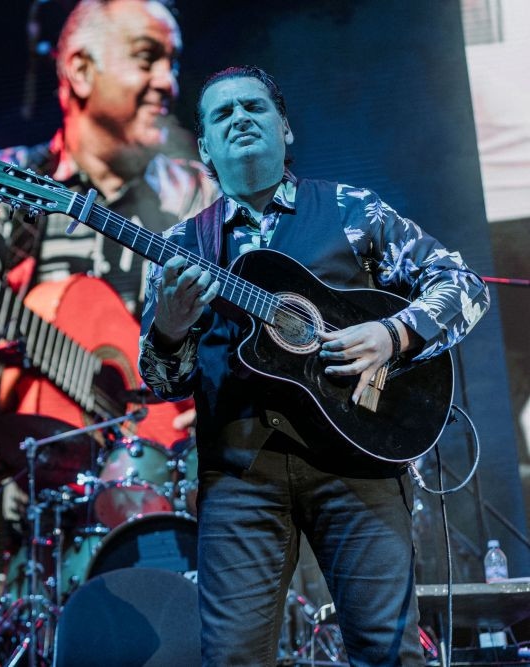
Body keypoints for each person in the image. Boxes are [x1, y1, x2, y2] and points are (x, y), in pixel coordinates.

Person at [139, 66, 489, 665]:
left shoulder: (353, 209)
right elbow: (162, 382)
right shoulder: (179, 248)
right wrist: (169, 330)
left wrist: (393, 333)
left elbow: (463, 284)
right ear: (204, 150)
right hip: (239, 474)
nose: (239, 118)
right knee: (232, 660)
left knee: (388, 654)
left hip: (359, 455)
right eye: (222, 114)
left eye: (254, 107)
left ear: (286, 129)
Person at [0, 0, 217, 331]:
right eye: (146, 57)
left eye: (173, 64)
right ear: (82, 71)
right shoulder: (8, 172)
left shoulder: (200, 194)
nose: (168, 82)